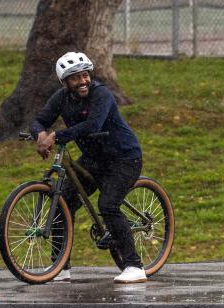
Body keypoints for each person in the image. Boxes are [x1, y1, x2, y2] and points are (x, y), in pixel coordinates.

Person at [30, 51, 147, 285]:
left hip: (124, 158)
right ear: (65, 82)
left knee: (108, 204)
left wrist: (56, 135)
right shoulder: (61, 98)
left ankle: (135, 266)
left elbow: (93, 124)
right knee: (63, 201)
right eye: (76, 78)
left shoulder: (101, 93)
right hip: (95, 159)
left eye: (85, 75)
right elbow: (38, 120)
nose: (83, 81)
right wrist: (41, 134)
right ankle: (60, 266)